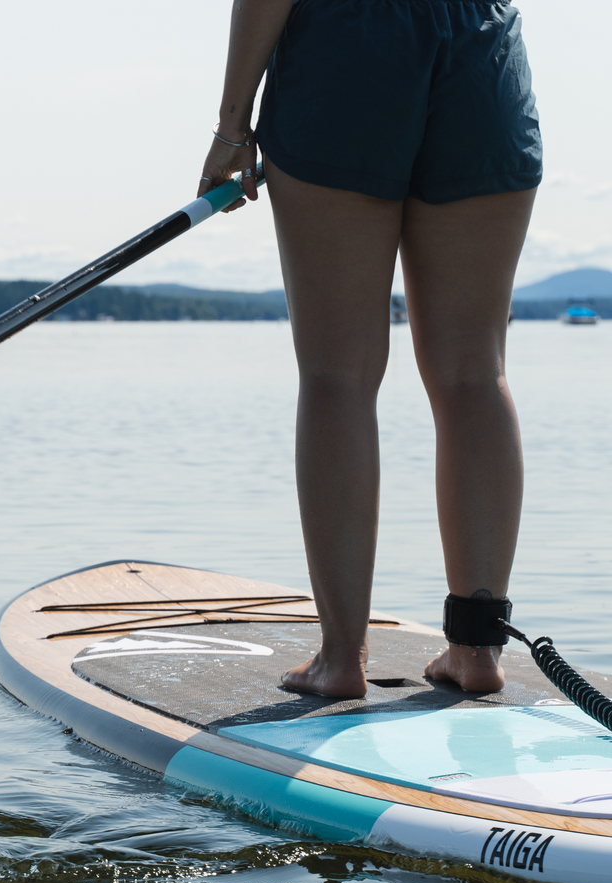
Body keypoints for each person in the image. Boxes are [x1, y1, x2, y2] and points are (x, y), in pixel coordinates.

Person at [199, 0, 542, 698]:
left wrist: (233, 126)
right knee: (476, 375)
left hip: (346, 51)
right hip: (482, 51)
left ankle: (339, 658)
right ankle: (476, 651)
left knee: (337, 375)